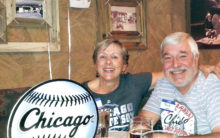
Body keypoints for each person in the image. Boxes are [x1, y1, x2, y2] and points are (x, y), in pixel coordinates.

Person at [83, 39, 220, 132]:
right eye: (102, 57)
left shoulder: (134, 83)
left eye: (114, 57)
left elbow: (171, 72)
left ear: (124, 66)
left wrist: (201, 67)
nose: (108, 62)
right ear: (95, 64)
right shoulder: (79, 94)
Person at [139, 32, 220, 138]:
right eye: (168, 58)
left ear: (196, 58)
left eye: (182, 56)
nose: (175, 64)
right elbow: (140, 123)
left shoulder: (211, 84)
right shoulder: (164, 84)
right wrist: (145, 137)